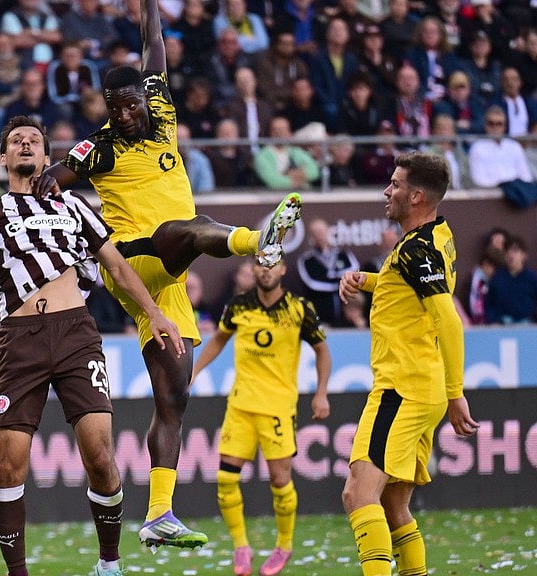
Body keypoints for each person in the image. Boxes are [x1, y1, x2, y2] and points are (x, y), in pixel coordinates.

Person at [31, 0, 303, 550]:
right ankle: (259, 240)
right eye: (116, 108)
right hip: (134, 260)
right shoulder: (100, 145)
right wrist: (49, 182)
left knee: (173, 398)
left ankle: (159, 513)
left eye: (130, 104)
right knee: (190, 228)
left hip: (169, 285)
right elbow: (57, 173)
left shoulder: (159, 103)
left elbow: (153, 41)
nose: (126, 114)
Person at [0, 116, 183, 576]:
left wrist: (154, 313)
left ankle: (109, 563)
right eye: (16, 141)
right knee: (8, 466)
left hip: (76, 333)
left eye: (34, 141)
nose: (24, 146)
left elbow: (117, 267)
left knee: (100, 456)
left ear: (44, 157)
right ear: (3, 158)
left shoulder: (74, 206)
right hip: (20, 342)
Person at [338, 151, 479, 576]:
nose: (387, 190)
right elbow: (411, 286)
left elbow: (449, 322)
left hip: (403, 387)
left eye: (395, 185)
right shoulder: (437, 234)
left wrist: (458, 394)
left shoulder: (417, 250)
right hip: (423, 386)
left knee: (358, 495)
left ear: (416, 196)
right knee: (392, 503)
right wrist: (368, 281)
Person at [191, 257, 331, 576]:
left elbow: (322, 350)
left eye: (273, 264)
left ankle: (284, 544)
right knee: (226, 479)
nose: (265, 269)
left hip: (278, 408)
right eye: (260, 264)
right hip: (240, 405)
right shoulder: (238, 306)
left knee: (280, 481)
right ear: (253, 270)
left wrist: (321, 392)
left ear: (283, 269)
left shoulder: (299, 308)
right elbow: (218, 340)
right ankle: (241, 545)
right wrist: (195, 371)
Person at [296, 218, 360, 326]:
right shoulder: (306, 260)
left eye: (322, 231)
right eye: (316, 232)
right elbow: (312, 284)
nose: (319, 235)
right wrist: (339, 283)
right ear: (311, 236)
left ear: (328, 231)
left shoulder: (343, 255)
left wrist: (331, 278)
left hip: (346, 318)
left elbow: (355, 272)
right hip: (320, 318)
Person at [484, 236, 537, 325]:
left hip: (527, 325)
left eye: (515, 251)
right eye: (508, 251)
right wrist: (493, 321)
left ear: (524, 255)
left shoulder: (532, 279)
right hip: (502, 325)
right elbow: (489, 304)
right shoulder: (497, 278)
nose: (511, 255)